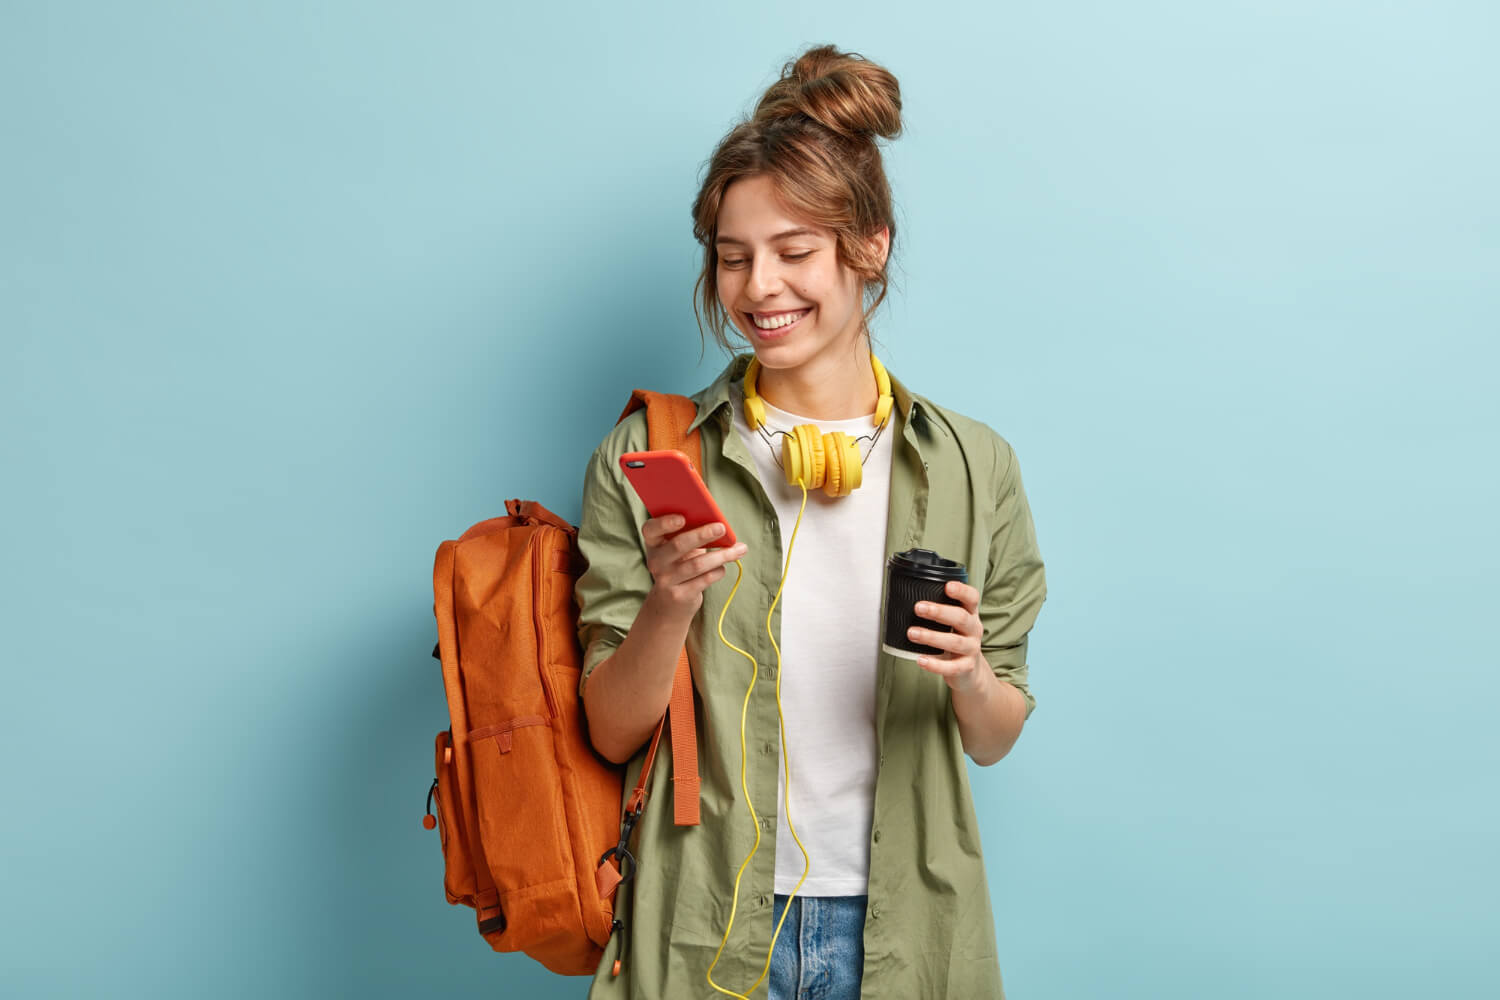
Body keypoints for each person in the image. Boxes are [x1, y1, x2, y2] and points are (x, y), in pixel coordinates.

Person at [573, 43, 1047, 1000]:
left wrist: (970, 674)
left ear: (868, 246)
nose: (758, 290)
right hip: (702, 918)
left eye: (794, 252)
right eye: (733, 257)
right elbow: (611, 733)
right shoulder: (648, 454)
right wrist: (669, 605)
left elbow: (993, 737)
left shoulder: (971, 465)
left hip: (905, 924)